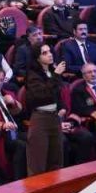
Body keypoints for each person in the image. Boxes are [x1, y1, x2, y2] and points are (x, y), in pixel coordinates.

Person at [25, 43, 65, 175]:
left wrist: (61, 108)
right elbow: (43, 95)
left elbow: (56, 94)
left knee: (56, 160)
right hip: (40, 118)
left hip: (54, 118)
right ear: (37, 58)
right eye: (44, 53)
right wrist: (56, 75)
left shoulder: (51, 72)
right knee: (38, 162)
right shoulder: (32, 75)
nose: (50, 55)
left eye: (50, 51)